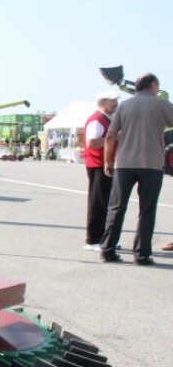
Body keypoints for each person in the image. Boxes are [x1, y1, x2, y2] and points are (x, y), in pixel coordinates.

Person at [99, 73, 173, 265]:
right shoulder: (162, 105)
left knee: (116, 207)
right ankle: (141, 254)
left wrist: (108, 161)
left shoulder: (124, 106)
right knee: (146, 210)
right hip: (151, 164)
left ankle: (107, 249)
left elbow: (110, 136)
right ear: (153, 85)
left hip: (124, 164)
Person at [82, 90, 120, 251]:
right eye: (113, 101)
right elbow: (91, 143)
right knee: (98, 202)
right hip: (97, 165)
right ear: (103, 103)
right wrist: (115, 137)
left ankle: (104, 237)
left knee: (106, 202)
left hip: (106, 164)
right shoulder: (96, 120)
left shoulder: (106, 119)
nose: (116, 104)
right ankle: (93, 240)